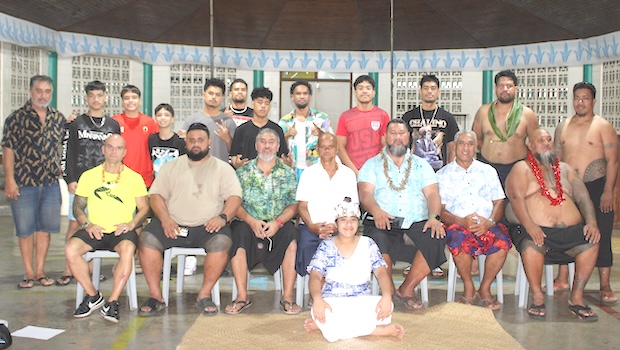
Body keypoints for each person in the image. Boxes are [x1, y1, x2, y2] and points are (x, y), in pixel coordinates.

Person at [138, 123, 242, 316]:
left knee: (223, 241)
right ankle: (155, 295)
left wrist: (223, 217)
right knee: (147, 239)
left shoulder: (223, 168)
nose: (196, 144)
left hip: (208, 227)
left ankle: (204, 294)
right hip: (173, 225)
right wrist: (165, 219)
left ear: (209, 143)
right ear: (185, 143)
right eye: (191, 140)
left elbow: (234, 198)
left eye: (200, 140)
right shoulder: (171, 167)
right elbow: (156, 196)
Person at [505, 128, 601, 321]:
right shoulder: (521, 168)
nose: (547, 143)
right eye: (541, 140)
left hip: (569, 232)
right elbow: (515, 198)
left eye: (549, 139)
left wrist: (591, 222)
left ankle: (576, 297)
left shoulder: (565, 169)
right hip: (535, 230)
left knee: (591, 241)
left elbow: (583, 198)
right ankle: (537, 296)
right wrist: (530, 225)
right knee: (532, 243)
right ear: (530, 146)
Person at [358, 119, 446, 309]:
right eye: (393, 133)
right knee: (376, 239)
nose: (397, 137)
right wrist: (376, 211)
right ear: (385, 137)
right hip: (383, 219)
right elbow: (365, 194)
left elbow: (432, 194)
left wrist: (433, 217)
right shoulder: (371, 165)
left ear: (409, 137)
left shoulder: (422, 165)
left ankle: (406, 289)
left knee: (435, 236)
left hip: (416, 221)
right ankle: (388, 291)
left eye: (401, 133)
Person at [65, 135, 149, 322]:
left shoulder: (134, 178)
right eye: (109, 147)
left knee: (128, 250)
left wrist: (131, 225)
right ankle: (93, 296)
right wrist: (87, 225)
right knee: (71, 249)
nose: (113, 151)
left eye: (118, 148)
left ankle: (112, 302)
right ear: (103, 149)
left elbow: (144, 208)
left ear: (124, 152)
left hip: (121, 232)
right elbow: (77, 207)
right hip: (95, 229)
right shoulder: (88, 176)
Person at [303, 197, 404, 342]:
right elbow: (315, 276)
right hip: (333, 302)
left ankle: (326, 326)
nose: (348, 224)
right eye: (343, 219)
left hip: (362, 301)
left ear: (359, 222)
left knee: (385, 309)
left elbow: (381, 273)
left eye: (353, 219)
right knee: (322, 310)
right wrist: (317, 299)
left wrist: (387, 296)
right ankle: (376, 330)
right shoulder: (326, 246)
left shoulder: (368, 243)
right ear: (336, 223)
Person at [553, 82, 618, 303]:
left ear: (593, 101)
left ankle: (605, 284)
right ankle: (562, 278)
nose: (581, 102)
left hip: (597, 186)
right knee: (567, 232)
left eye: (585, 98)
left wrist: (608, 191)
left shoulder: (603, 126)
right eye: (577, 98)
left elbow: (613, 161)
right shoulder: (563, 126)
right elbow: (556, 160)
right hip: (569, 189)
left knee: (602, 232)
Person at [226, 128, 300, 315]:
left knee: (292, 235)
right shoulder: (242, 173)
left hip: (278, 224)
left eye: (271, 142)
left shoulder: (287, 173)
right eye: (263, 142)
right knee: (237, 234)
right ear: (256, 145)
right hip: (249, 223)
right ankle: (242, 296)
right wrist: (251, 221)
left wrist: (279, 223)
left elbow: (293, 205)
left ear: (277, 147)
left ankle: (288, 296)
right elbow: (234, 203)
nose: (267, 146)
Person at [2, 75, 66, 289]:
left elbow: (60, 146)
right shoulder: (16, 118)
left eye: (47, 91)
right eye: (39, 91)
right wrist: (10, 180)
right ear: (30, 92)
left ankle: (40, 271)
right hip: (23, 182)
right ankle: (28, 273)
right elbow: (8, 150)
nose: (43, 95)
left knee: (44, 229)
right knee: (25, 229)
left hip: (49, 183)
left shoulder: (58, 118)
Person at [436, 131, 511, 309]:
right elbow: (441, 209)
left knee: (502, 242)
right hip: (457, 224)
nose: (466, 148)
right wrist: (461, 221)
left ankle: (485, 288)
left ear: (476, 148)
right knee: (458, 240)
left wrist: (489, 222)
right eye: (461, 143)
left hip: (487, 223)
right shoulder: (442, 175)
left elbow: (499, 201)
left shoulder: (488, 171)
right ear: (454, 146)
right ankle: (469, 288)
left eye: (470, 144)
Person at [58, 81, 121, 286]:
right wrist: (70, 179)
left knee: (98, 225)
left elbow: (118, 152)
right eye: (92, 95)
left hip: (105, 184)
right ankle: (69, 269)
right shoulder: (76, 124)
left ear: (105, 97)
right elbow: (67, 152)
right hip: (80, 183)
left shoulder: (112, 125)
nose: (96, 99)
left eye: (99, 95)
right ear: (86, 98)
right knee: (75, 224)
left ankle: (92, 269)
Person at [295, 133, 358, 279]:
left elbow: (352, 208)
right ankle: (318, 290)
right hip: (311, 226)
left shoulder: (348, 175)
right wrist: (312, 226)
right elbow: (302, 206)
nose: (327, 150)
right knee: (305, 246)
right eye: (323, 147)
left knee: (343, 247)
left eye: (330, 147)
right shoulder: (308, 173)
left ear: (336, 149)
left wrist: (337, 226)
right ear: (317, 149)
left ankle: (326, 289)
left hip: (340, 227)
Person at [472, 70, 539, 187]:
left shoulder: (528, 114)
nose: (505, 89)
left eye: (509, 86)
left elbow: (536, 144)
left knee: (512, 204)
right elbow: (474, 139)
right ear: (496, 88)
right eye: (501, 86)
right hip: (487, 167)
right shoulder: (483, 111)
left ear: (516, 89)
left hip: (516, 168)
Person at [337, 75, 390, 176]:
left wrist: (375, 168)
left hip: (376, 172)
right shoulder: (345, 116)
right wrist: (354, 171)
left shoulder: (383, 115)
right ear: (355, 93)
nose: (364, 91)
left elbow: (386, 145)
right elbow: (340, 147)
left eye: (368, 88)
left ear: (374, 93)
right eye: (360, 88)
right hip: (351, 172)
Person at [402, 74, 459, 167]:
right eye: (426, 88)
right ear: (420, 91)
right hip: (414, 169)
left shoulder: (448, 118)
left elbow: (452, 146)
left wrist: (451, 167)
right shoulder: (408, 117)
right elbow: (402, 144)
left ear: (438, 92)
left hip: (438, 170)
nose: (429, 91)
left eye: (433, 88)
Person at [279, 80, 332, 179]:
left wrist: (321, 135)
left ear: (310, 96)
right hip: (292, 171)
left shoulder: (321, 118)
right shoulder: (284, 121)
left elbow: (333, 144)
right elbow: (278, 148)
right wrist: (286, 135)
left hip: (317, 170)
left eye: (305, 93)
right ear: (292, 97)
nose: (302, 96)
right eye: (298, 93)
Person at [230, 87, 289, 169]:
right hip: (247, 176)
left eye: (267, 103)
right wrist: (237, 164)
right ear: (252, 104)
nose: (263, 106)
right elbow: (233, 156)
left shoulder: (277, 130)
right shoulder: (241, 130)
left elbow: (283, 157)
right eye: (260, 102)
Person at [112, 85, 159, 187]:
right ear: (122, 102)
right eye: (126, 98)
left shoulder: (149, 122)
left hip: (144, 180)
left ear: (140, 101)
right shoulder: (114, 122)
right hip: (120, 178)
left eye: (134, 97)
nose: (130, 101)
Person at [181, 78, 237, 162]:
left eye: (218, 95)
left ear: (222, 98)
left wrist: (228, 138)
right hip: (196, 171)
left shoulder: (228, 122)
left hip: (220, 171)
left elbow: (235, 153)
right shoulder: (192, 121)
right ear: (203, 95)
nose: (214, 97)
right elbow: (184, 149)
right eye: (210, 93)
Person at [148, 103, 186, 178]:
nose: (163, 118)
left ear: (172, 119)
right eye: (159, 115)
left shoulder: (180, 141)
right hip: (156, 185)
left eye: (166, 115)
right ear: (155, 119)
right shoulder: (152, 139)